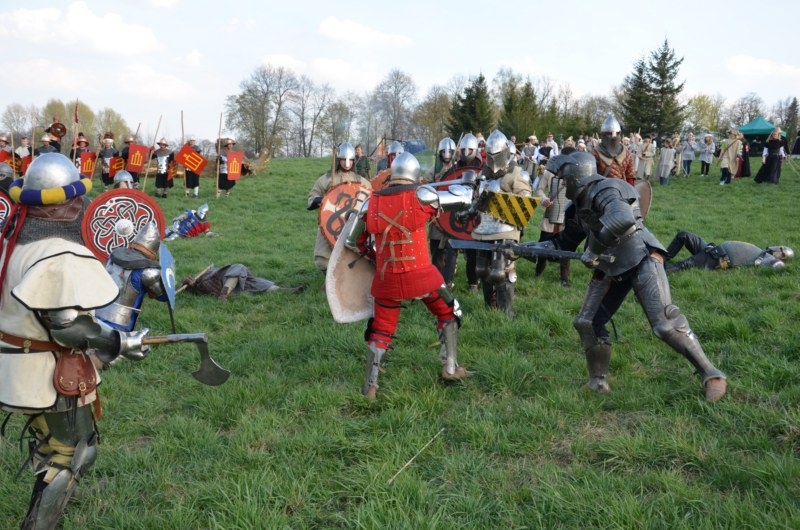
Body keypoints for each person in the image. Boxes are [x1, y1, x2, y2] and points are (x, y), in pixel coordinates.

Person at [0, 153, 151, 528]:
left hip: (16, 360)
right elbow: (68, 327)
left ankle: (52, 492)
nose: (84, 204)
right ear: (67, 205)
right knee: (71, 454)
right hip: (46, 372)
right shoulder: (59, 253)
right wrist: (119, 343)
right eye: (78, 198)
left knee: (51, 444)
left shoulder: (13, 241)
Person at [522, 151, 727, 402]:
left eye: (565, 179)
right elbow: (562, 244)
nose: (563, 184)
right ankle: (598, 382)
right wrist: (526, 249)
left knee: (664, 323)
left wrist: (593, 250)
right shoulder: (576, 208)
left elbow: (622, 219)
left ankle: (712, 374)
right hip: (610, 266)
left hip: (641, 256)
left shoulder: (607, 189)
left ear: (576, 176)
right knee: (587, 322)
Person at [345, 151, 474, 398]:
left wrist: (374, 256)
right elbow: (464, 198)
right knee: (450, 311)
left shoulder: (370, 203)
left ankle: (369, 387)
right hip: (422, 278)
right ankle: (450, 368)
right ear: (414, 175)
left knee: (381, 330)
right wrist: (469, 183)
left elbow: (352, 242)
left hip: (387, 281)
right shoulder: (422, 195)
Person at [469, 129, 533, 318]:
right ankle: (490, 309)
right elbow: (476, 199)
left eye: (496, 154)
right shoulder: (483, 174)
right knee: (482, 270)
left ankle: (506, 312)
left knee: (502, 271)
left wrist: (504, 203)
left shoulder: (516, 173)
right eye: (489, 154)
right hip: (484, 229)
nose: (493, 158)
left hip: (506, 230)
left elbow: (525, 202)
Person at [307, 142, 372, 273]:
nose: (347, 163)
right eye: (344, 160)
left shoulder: (362, 181)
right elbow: (312, 197)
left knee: (354, 256)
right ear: (338, 160)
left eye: (350, 160)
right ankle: (328, 278)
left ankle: (349, 279)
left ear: (354, 161)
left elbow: (370, 201)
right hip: (331, 223)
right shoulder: (327, 179)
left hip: (354, 225)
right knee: (323, 260)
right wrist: (324, 200)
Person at [95, 222, 168, 333]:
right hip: (119, 322)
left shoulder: (113, 256)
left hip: (96, 311)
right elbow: (163, 297)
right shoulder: (149, 272)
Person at [534, 145, 573, 287]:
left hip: (567, 214)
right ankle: (538, 272)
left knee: (566, 248)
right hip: (551, 213)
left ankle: (564, 278)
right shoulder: (549, 172)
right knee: (543, 243)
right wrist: (544, 199)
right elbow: (539, 190)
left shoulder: (576, 174)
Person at [664, 230, 794, 272]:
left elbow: (777, 265)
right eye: (781, 248)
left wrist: (781, 265)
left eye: (782, 253)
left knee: (681, 265)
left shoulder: (766, 258)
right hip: (712, 249)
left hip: (716, 259)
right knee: (684, 235)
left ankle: (656, 272)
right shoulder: (759, 251)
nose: (779, 250)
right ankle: (661, 259)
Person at [423, 137, 458, 286]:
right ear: (440, 153)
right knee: (436, 248)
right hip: (437, 213)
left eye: (449, 152)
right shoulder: (433, 170)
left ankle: (448, 278)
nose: (447, 154)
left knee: (450, 248)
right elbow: (425, 188)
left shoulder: (457, 169)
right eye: (444, 151)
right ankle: (436, 279)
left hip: (452, 213)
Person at [182, 263, 303, 301]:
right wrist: (188, 283)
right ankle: (224, 294)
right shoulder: (201, 279)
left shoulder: (212, 270)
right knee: (239, 267)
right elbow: (184, 287)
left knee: (253, 282)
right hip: (221, 282)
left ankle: (284, 290)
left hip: (232, 284)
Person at [592, 116, 635, 184]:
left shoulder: (626, 153)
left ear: (619, 134)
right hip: (602, 188)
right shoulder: (595, 153)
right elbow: (591, 178)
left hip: (622, 187)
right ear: (603, 135)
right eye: (609, 134)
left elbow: (630, 175)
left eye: (616, 134)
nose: (613, 137)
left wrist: (630, 188)